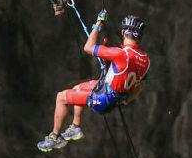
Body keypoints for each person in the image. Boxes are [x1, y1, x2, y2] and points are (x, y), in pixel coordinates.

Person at [37, 13, 150, 151]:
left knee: (61, 97)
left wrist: (98, 24)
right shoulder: (145, 60)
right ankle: (75, 127)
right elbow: (140, 84)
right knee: (78, 87)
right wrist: (127, 99)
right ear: (140, 37)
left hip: (103, 98)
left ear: (123, 32)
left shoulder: (119, 53)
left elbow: (88, 47)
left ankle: (54, 138)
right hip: (113, 95)